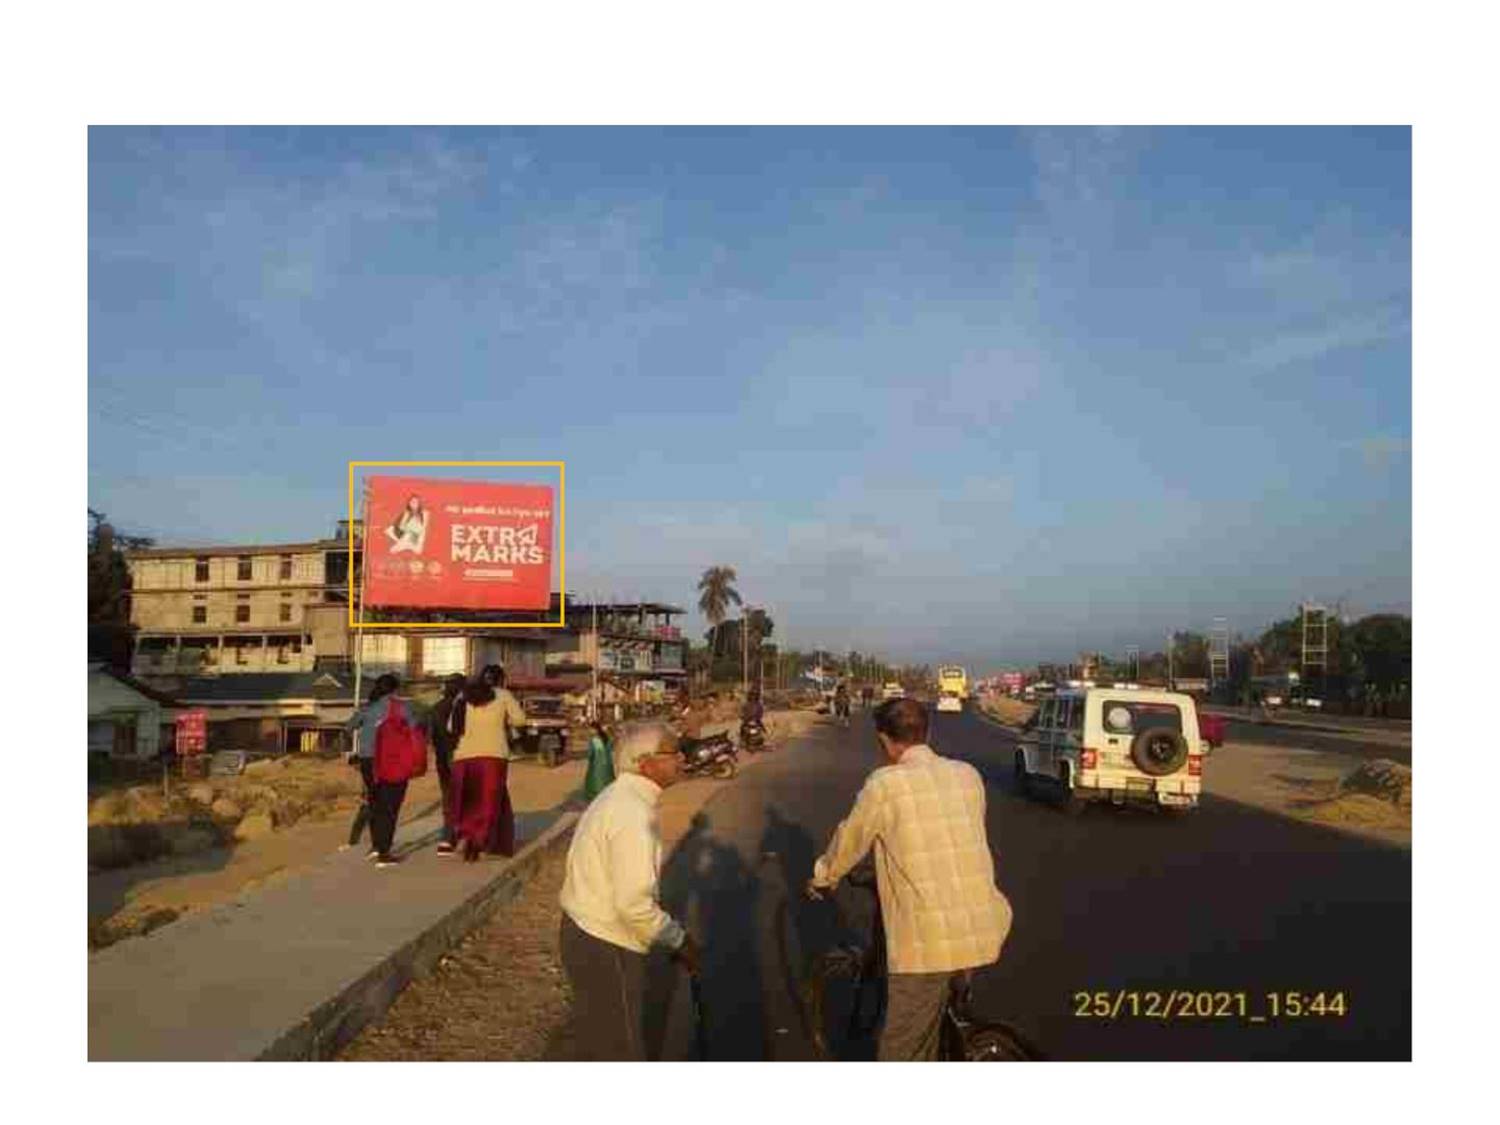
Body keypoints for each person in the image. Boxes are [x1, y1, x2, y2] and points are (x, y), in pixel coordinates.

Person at [805, 697, 1013, 1060]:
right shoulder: (967, 775)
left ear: (884, 740)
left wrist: (824, 876)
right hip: (986, 922)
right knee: (947, 999)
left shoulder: (885, 784)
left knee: (903, 1050)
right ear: (927, 733)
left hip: (926, 938)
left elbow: (851, 839)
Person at [558, 722, 700, 1060]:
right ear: (645, 763)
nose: (681, 759)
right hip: (605, 941)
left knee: (608, 1041)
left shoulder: (621, 797)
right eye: (672, 752)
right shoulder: (632, 813)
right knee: (620, 1050)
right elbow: (634, 905)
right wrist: (679, 940)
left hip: (591, 930)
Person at [448, 667, 528, 862]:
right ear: (500, 680)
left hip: (464, 755)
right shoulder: (503, 695)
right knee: (488, 801)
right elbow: (520, 720)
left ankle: (464, 835)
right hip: (493, 755)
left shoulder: (463, 696)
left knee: (468, 799)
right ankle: (480, 841)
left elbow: (451, 726)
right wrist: (504, 721)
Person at [342, 673, 411, 868]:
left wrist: (351, 753)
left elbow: (348, 729)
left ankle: (376, 846)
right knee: (390, 806)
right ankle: (384, 853)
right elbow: (416, 729)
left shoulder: (367, 708)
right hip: (390, 760)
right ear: (395, 689)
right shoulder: (401, 708)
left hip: (367, 761)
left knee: (375, 803)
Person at [428, 673, 466, 854]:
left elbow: (431, 736)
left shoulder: (436, 708)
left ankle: (447, 838)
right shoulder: (466, 707)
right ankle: (466, 835)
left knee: (448, 798)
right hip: (462, 756)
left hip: (442, 758)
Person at [583, 721, 615, 801]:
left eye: (591, 729)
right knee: (607, 781)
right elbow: (611, 747)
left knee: (596, 782)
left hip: (596, 765)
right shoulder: (606, 738)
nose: (590, 731)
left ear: (596, 729)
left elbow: (590, 754)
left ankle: (596, 797)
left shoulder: (593, 740)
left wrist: (589, 758)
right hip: (607, 764)